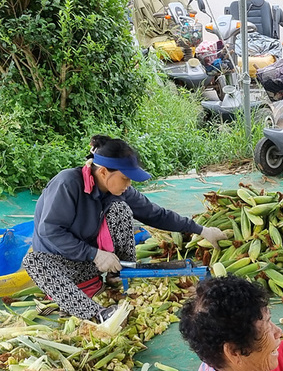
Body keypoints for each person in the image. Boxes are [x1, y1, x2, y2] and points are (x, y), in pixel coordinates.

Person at [23, 136, 224, 323]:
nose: (128, 185)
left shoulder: (118, 190)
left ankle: (121, 273)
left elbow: (155, 214)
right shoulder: (68, 184)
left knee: (120, 209)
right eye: (125, 178)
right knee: (33, 261)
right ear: (103, 172)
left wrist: (201, 230)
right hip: (62, 268)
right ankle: (96, 313)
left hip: (95, 264)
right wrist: (94, 254)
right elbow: (50, 232)